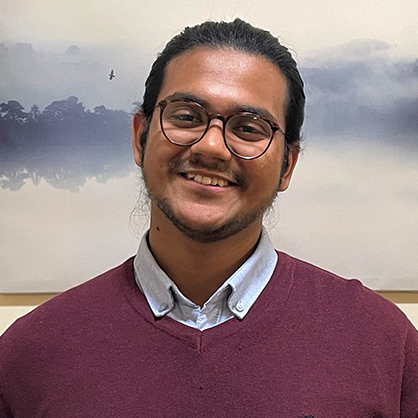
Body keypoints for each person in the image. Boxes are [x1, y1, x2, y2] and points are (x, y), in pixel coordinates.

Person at [1, 19, 417, 418]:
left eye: (249, 128)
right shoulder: (27, 355)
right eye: (186, 116)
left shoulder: (385, 345)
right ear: (140, 138)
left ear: (287, 166)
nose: (212, 147)